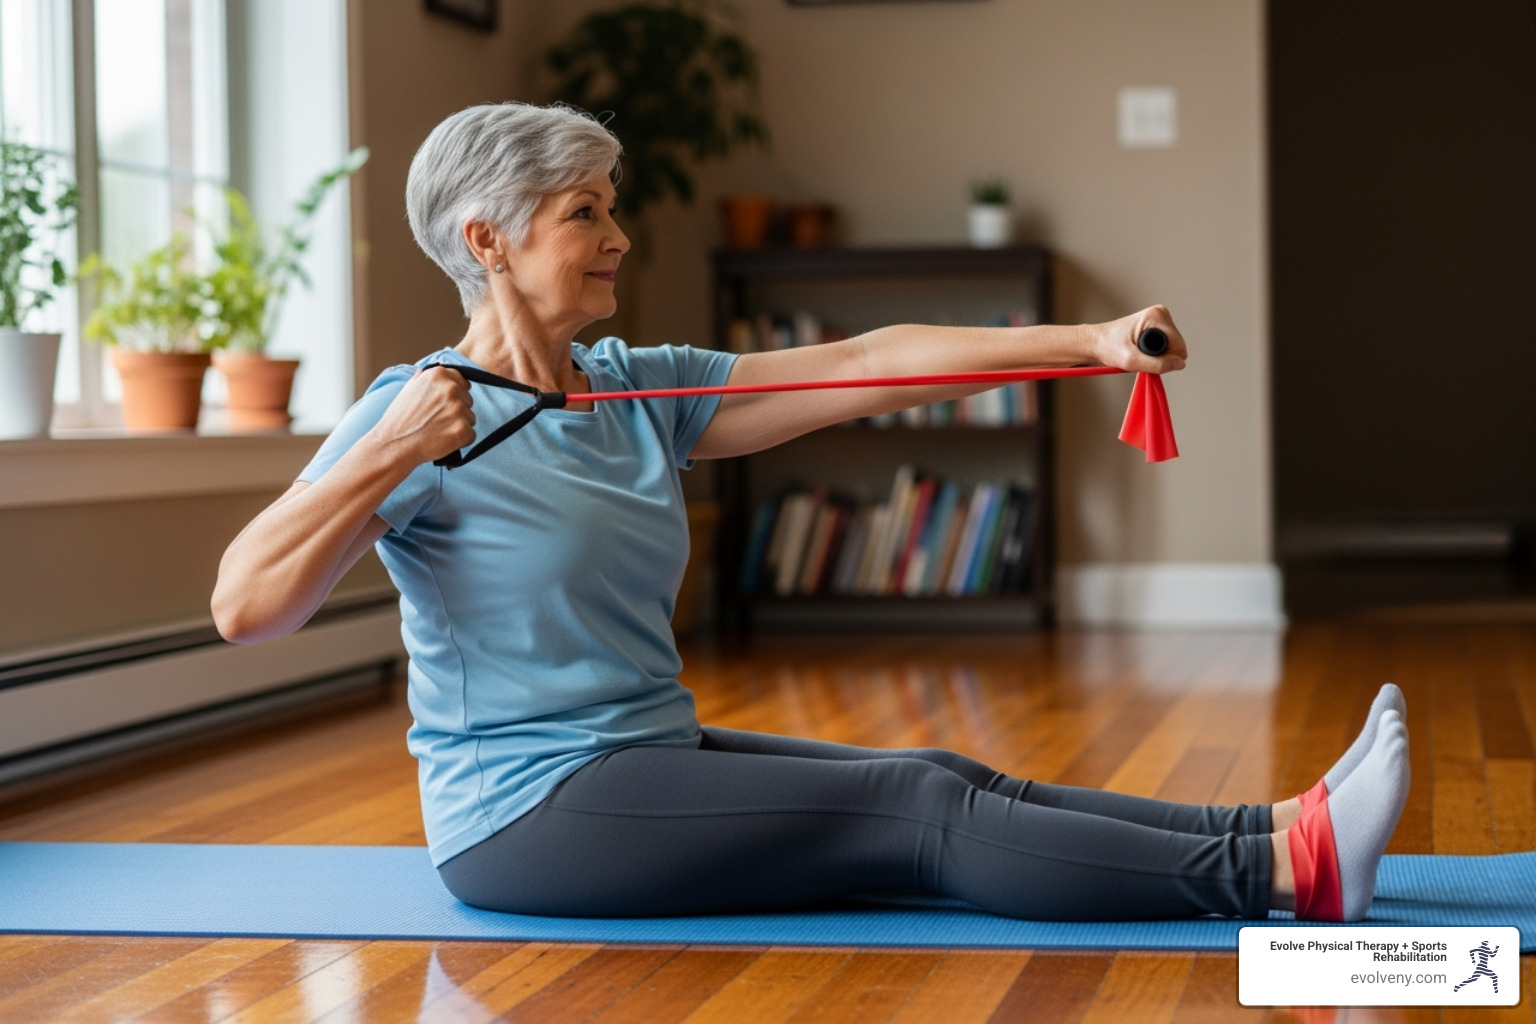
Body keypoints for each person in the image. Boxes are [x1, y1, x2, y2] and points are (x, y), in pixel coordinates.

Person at [212, 102, 1410, 923]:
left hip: (640, 757)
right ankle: (1290, 876)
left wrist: (1091, 343)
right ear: (487, 240)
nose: (619, 236)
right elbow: (247, 606)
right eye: (584, 213)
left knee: (937, 770)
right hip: (526, 814)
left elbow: (863, 364)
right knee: (919, 811)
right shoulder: (421, 413)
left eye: (610, 208)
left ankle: (1272, 827)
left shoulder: (630, 389)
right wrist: (392, 450)